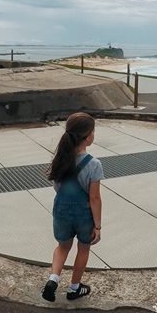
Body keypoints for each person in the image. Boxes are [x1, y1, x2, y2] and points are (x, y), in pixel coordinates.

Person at [41, 112, 104, 302]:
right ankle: (74, 288)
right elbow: (94, 198)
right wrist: (98, 226)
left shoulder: (61, 159)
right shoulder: (94, 164)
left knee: (62, 246)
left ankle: (53, 279)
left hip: (62, 211)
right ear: (87, 137)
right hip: (83, 215)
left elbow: (57, 187)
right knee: (83, 248)